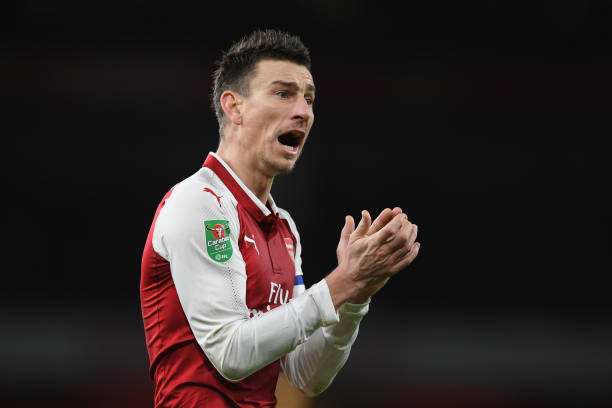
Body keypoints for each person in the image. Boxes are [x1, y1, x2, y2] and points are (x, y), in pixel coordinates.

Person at [140, 29, 420, 408]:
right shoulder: (200, 203)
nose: (303, 111)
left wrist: (355, 298)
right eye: (283, 93)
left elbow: (305, 375)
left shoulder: (283, 227)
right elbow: (230, 352)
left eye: (309, 99)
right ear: (234, 107)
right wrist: (340, 282)